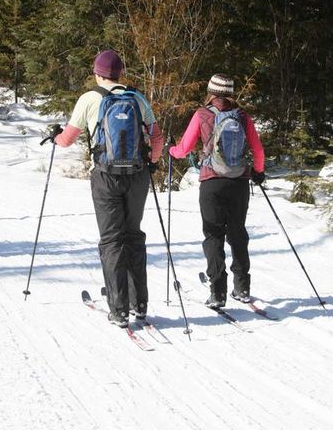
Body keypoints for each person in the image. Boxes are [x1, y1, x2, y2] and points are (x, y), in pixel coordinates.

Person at [50, 50, 164, 327]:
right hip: (137, 176)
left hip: (105, 176)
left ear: (97, 73)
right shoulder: (137, 98)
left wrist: (54, 137)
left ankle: (119, 308)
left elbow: (67, 139)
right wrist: (153, 161)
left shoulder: (90, 98)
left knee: (112, 240)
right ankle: (139, 304)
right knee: (133, 236)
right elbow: (157, 136)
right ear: (120, 73)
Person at [169, 73, 265, 308]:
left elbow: (183, 149)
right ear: (231, 93)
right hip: (239, 182)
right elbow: (258, 151)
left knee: (213, 235)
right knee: (238, 234)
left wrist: (171, 151)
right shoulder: (242, 116)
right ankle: (242, 287)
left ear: (211, 91)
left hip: (212, 182)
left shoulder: (202, 114)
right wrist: (258, 172)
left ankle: (218, 291)